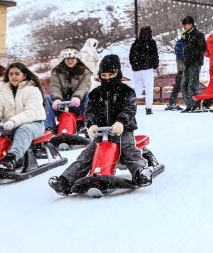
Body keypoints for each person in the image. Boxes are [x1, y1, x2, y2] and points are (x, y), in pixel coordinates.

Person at [47, 55, 153, 195]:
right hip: (101, 133)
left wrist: (121, 122)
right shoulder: (96, 93)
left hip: (122, 131)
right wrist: (91, 124)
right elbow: (90, 111)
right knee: (86, 156)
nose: (107, 78)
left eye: (111, 74)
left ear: (117, 73)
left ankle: (140, 173)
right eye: (104, 75)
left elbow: (129, 109)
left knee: (129, 151)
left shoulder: (127, 91)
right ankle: (65, 180)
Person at [44, 46, 92, 133]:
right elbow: (55, 86)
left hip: (78, 104)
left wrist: (77, 96)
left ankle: (86, 124)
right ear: (64, 60)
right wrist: (57, 98)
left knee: (88, 96)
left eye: (72, 58)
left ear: (77, 59)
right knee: (47, 99)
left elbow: (85, 85)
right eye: (67, 59)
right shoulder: (57, 71)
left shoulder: (85, 71)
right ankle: (49, 128)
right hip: (61, 103)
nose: (70, 61)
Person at [129, 26, 159, 116]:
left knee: (138, 90)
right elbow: (155, 55)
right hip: (147, 70)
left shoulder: (135, 43)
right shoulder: (151, 43)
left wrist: (135, 66)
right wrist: (154, 64)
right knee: (149, 91)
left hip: (137, 71)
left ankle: (131, 106)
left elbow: (131, 57)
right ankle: (148, 108)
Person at [181, 16, 206, 112]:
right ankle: (189, 105)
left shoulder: (198, 34)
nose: (184, 27)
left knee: (193, 84)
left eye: (185, 25)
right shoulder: (187, 35)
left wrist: (192, 52)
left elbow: (203, 48)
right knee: (184, 84)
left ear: (190, 24)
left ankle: (195, 104)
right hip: (187, 63)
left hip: (195, 63)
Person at [165, 33, 186, 111]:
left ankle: (173, 102)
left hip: (184, 68)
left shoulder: (182, 43)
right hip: (182, 68)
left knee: (180, 86)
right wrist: (187, 58)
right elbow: (179, 55)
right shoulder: (180, 43)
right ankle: (172, 102)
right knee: (179, 86)